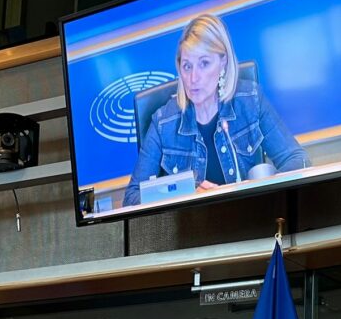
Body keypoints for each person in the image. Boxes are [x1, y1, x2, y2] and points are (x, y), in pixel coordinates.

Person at [123, 13, 309, 207]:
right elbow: (131, 198)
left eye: (204, 63)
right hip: (193, 229)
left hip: (250, 218)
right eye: (187, 66)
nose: (193, 78)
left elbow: (298, 160)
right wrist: (187, 195)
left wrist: (254, 188)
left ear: (223, 62)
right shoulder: (163, 123)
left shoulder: (250, 100)